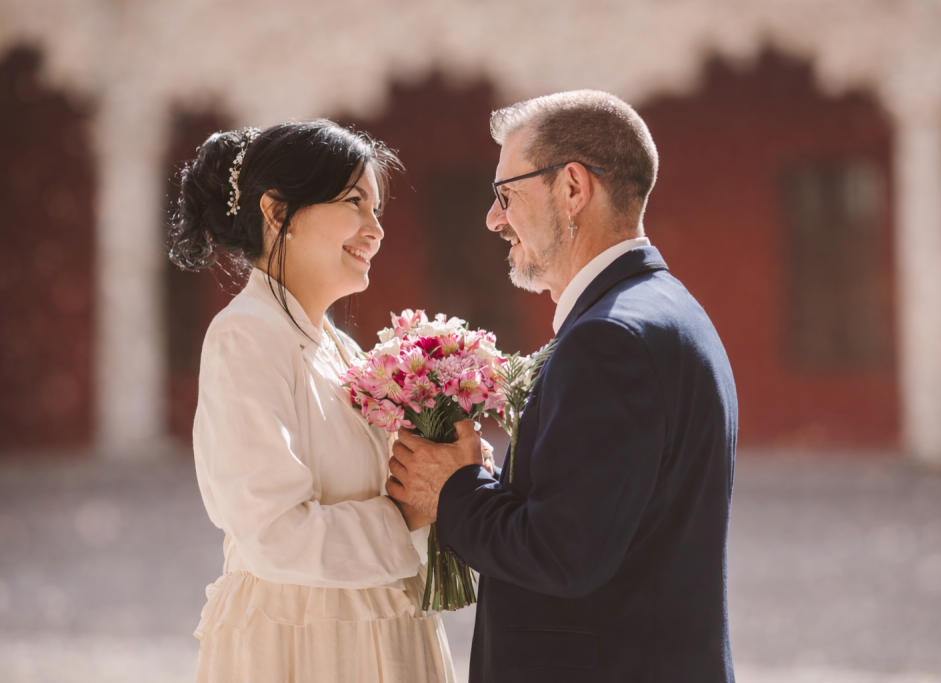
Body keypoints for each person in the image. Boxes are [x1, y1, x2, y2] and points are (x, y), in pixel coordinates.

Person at [387, 91, 738, 682]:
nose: (494, 218)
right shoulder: (664, 309)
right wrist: (496, 485)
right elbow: (605, 521)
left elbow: (563, 554)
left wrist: (452, 490)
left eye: (507, 195)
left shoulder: (611, 339)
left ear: (573, 189)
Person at [168, 119, 455, 683]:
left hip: (383, 628)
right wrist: (406, 519)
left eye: (377, 210)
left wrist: (447, 470)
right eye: (355, 202)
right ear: (278, 213)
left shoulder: (343, 350)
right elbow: (276, 533)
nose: (375, 230)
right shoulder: (245, 337)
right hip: (303, 644)